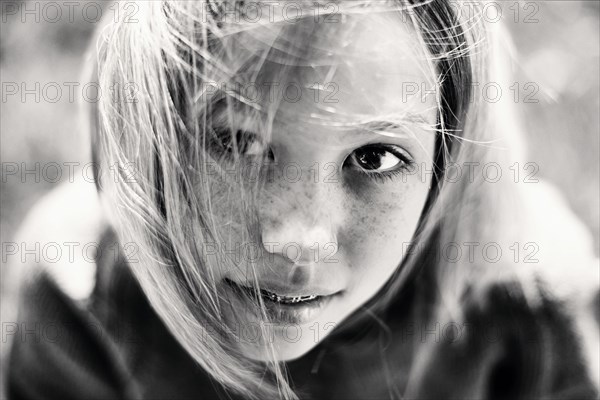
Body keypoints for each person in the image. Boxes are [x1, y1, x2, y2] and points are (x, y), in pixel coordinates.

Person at [7, 1, 599, 399]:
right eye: (237, 140)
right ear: (149, 128)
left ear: (447, 167)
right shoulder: (78, 293)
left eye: (375, 157)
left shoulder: (527, 300)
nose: (299, 234)